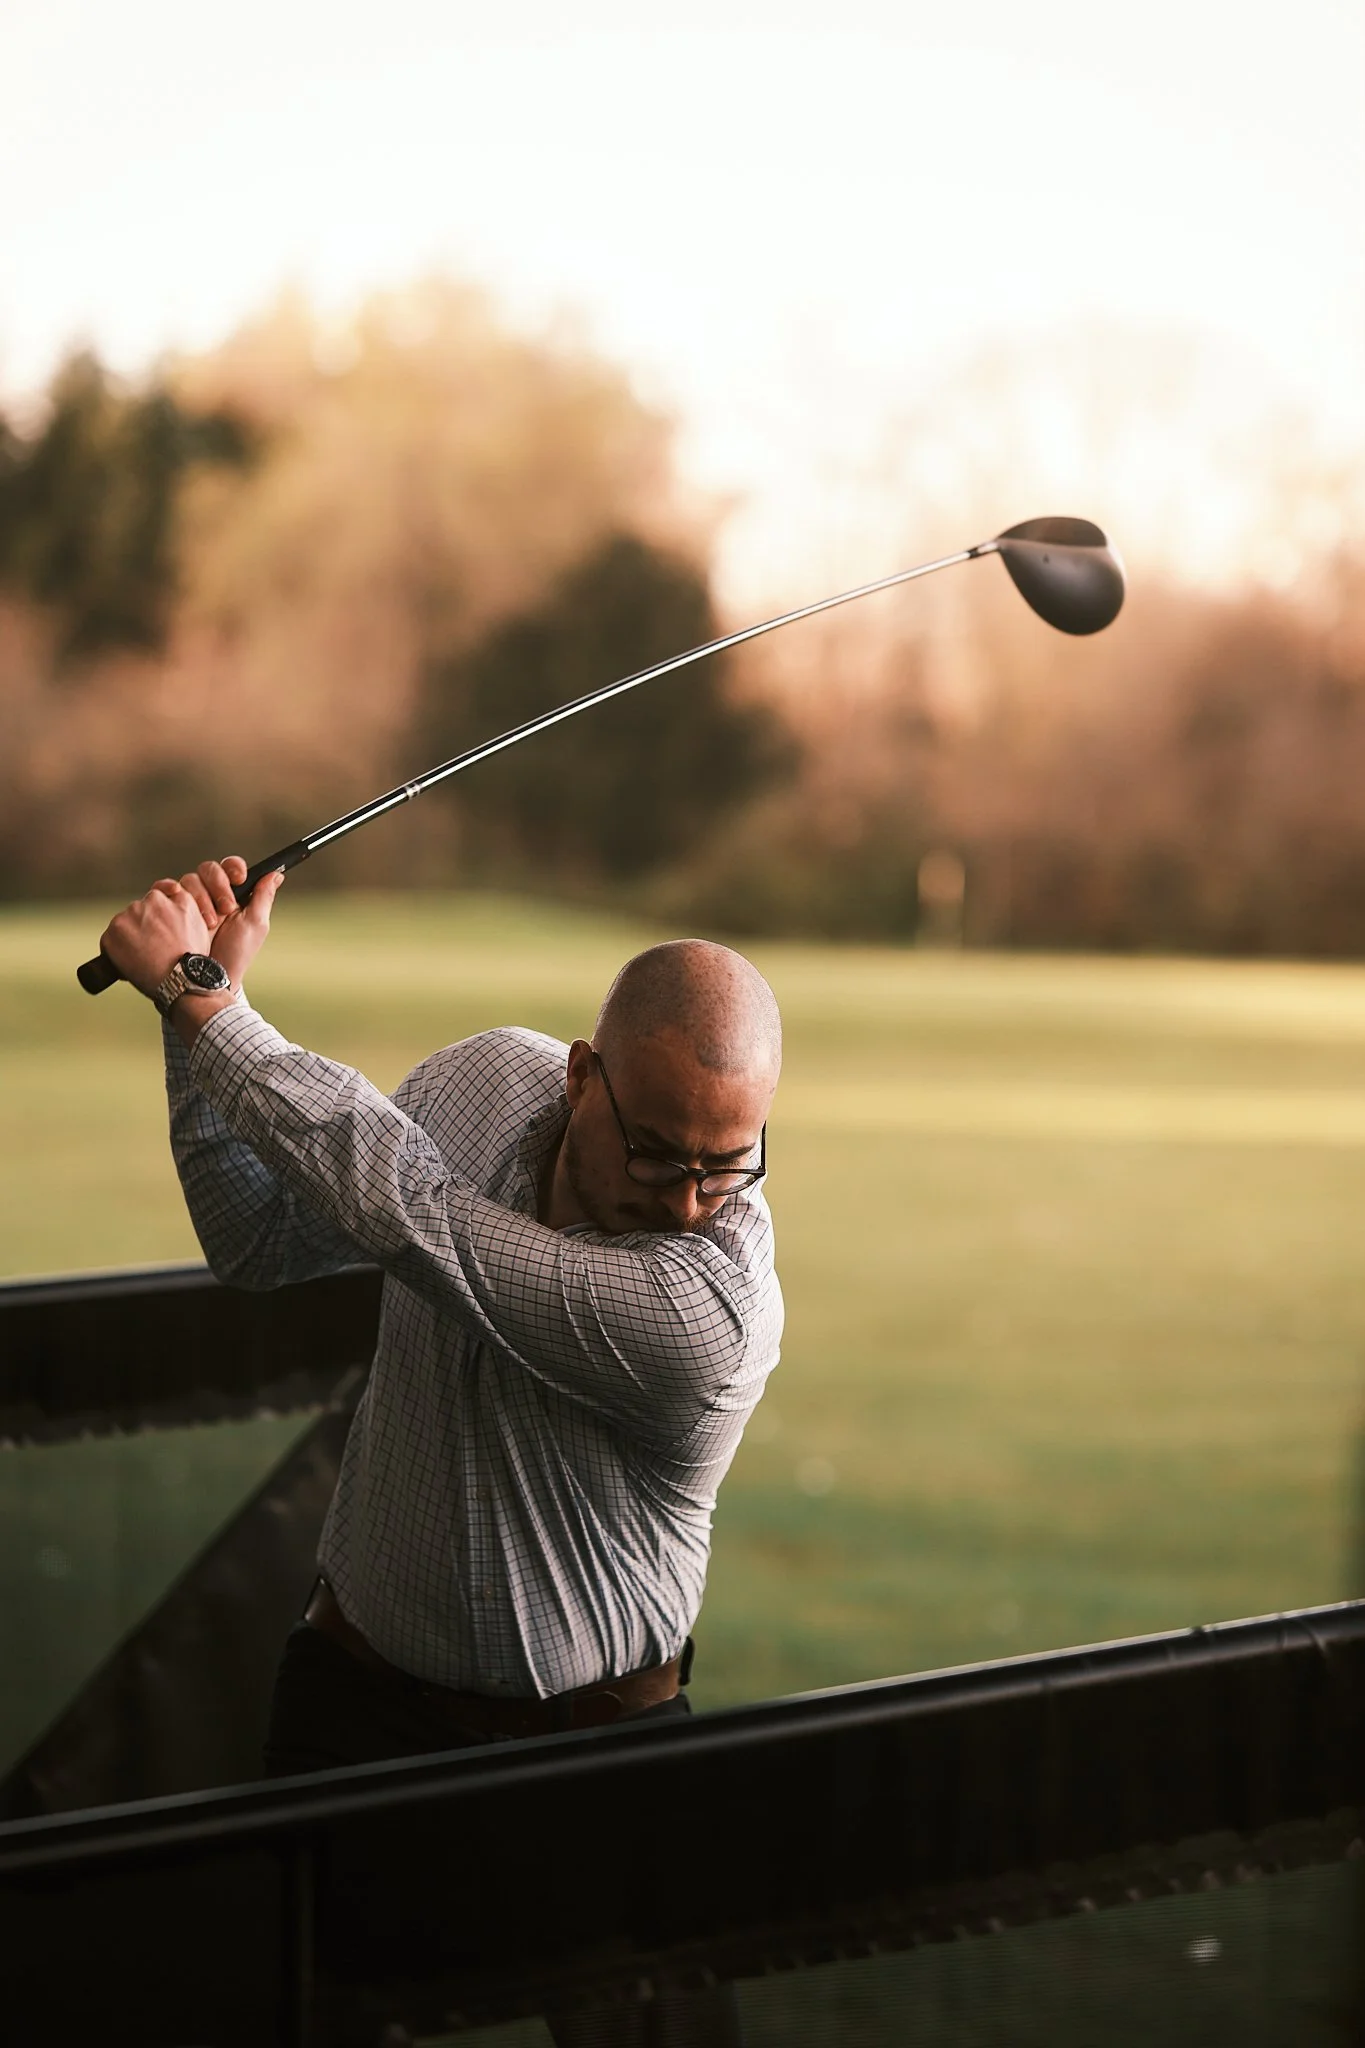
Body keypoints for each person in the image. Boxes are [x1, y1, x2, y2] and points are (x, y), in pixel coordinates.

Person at [99, 856, 784, 1774]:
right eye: (657, 1155)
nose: (690, 1201)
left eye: (730, 1161)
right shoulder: (488, 1082)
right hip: (346, 1702)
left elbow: (415, 1213)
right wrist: (194, 1005)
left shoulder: (710, 1312)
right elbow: (256, 1240)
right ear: (582, 1077)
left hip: (588, 1757)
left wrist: (202, 997)